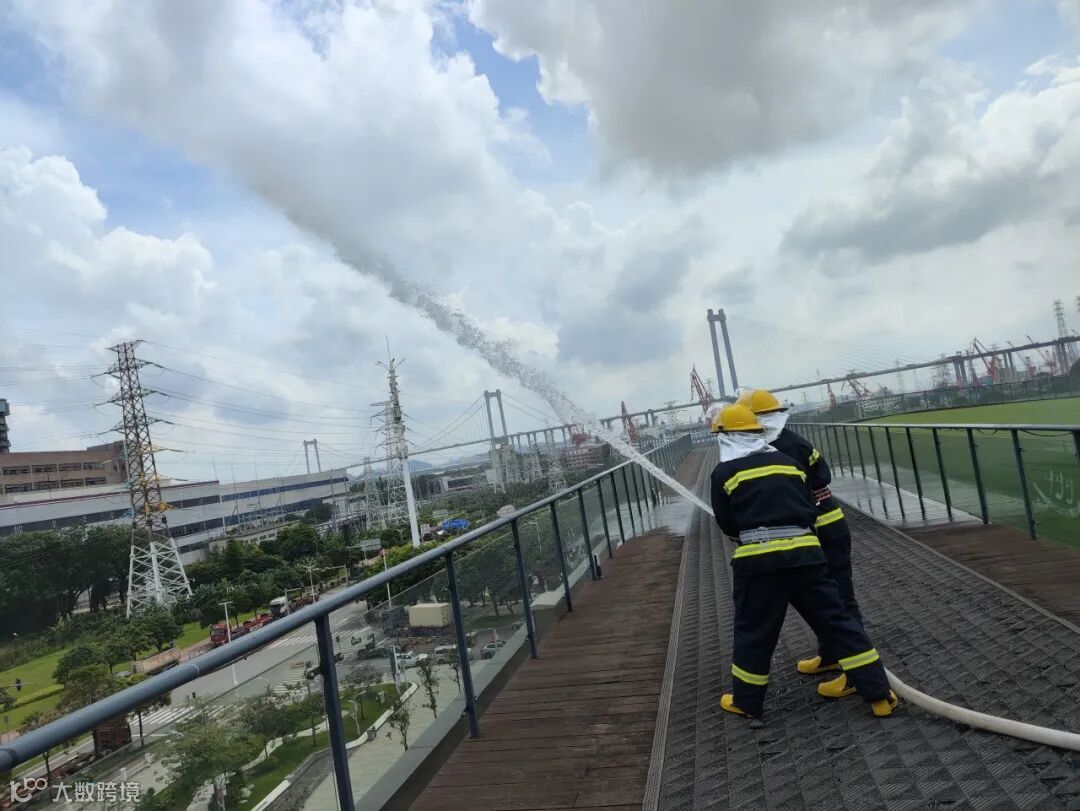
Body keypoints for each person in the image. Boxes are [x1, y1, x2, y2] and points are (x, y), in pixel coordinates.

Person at [709, 403, 897, 719]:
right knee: (838, 624)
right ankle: (880, 697)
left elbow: (727, 523)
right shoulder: (788, 463)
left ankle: (747, 701)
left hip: (760, 565)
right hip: (808, 556)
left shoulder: (724, 473)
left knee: (754, 632)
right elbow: (809, 509)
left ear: (726, 438)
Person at [736, 388, 861, 676]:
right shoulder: (784, 441)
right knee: (823, 602)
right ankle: (832, 655)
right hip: (818, 528)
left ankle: (855, 675)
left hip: (822, 529)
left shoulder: (781, 448)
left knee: (840, 600)